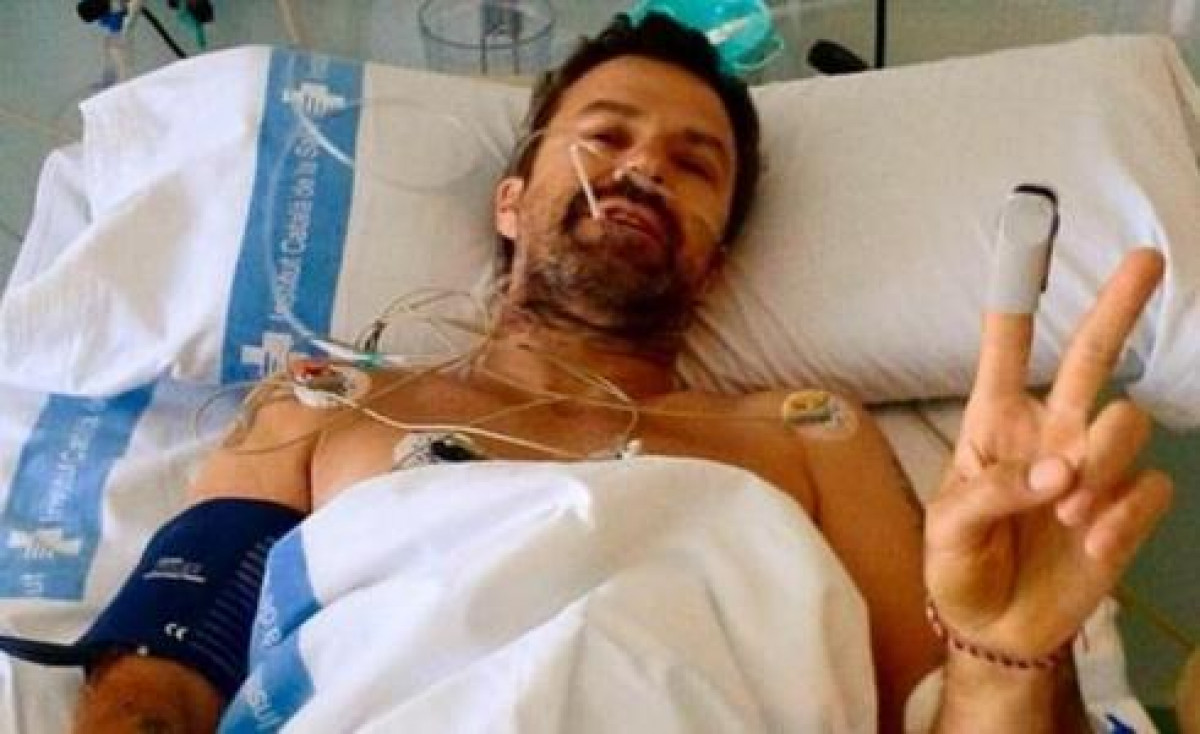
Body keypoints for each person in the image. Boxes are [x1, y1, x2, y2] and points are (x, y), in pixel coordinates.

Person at [72, 13, 1173, 733]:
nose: (645, 166)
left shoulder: (807, 435)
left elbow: (944, 711)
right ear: (511, 201)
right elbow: (157, 675)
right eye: (604, 137)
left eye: (696, 164)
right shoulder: (331, 400)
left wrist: (1008, 656)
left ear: (716, 258)